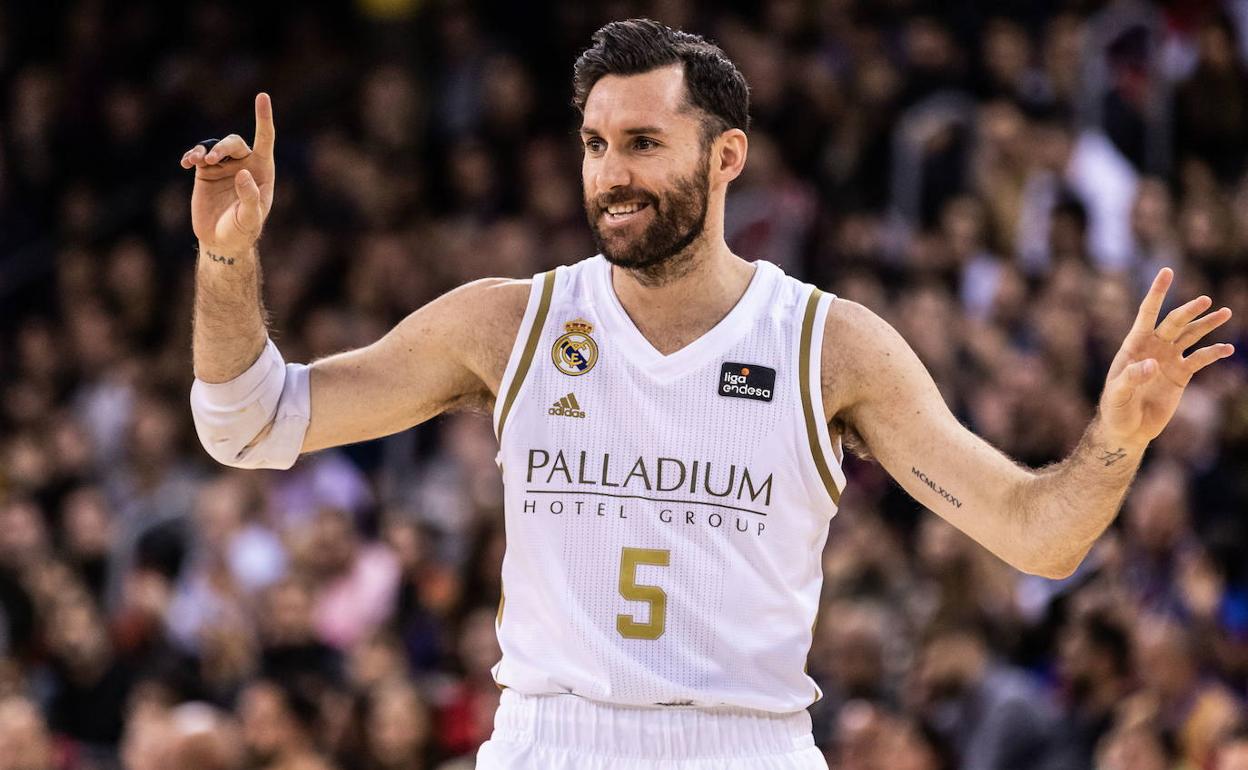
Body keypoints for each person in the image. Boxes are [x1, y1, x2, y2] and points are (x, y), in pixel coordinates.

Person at [181, 18, 1235, 770]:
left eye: (643, 143)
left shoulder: (831, 346)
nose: (611, 173)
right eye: (596, 144)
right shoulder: (508, 324)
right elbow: (249, 423)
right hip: (549, 740)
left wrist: (1117, 432)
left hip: (746, 743)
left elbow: (1037, 535)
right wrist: (227, 262)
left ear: (726, 156)